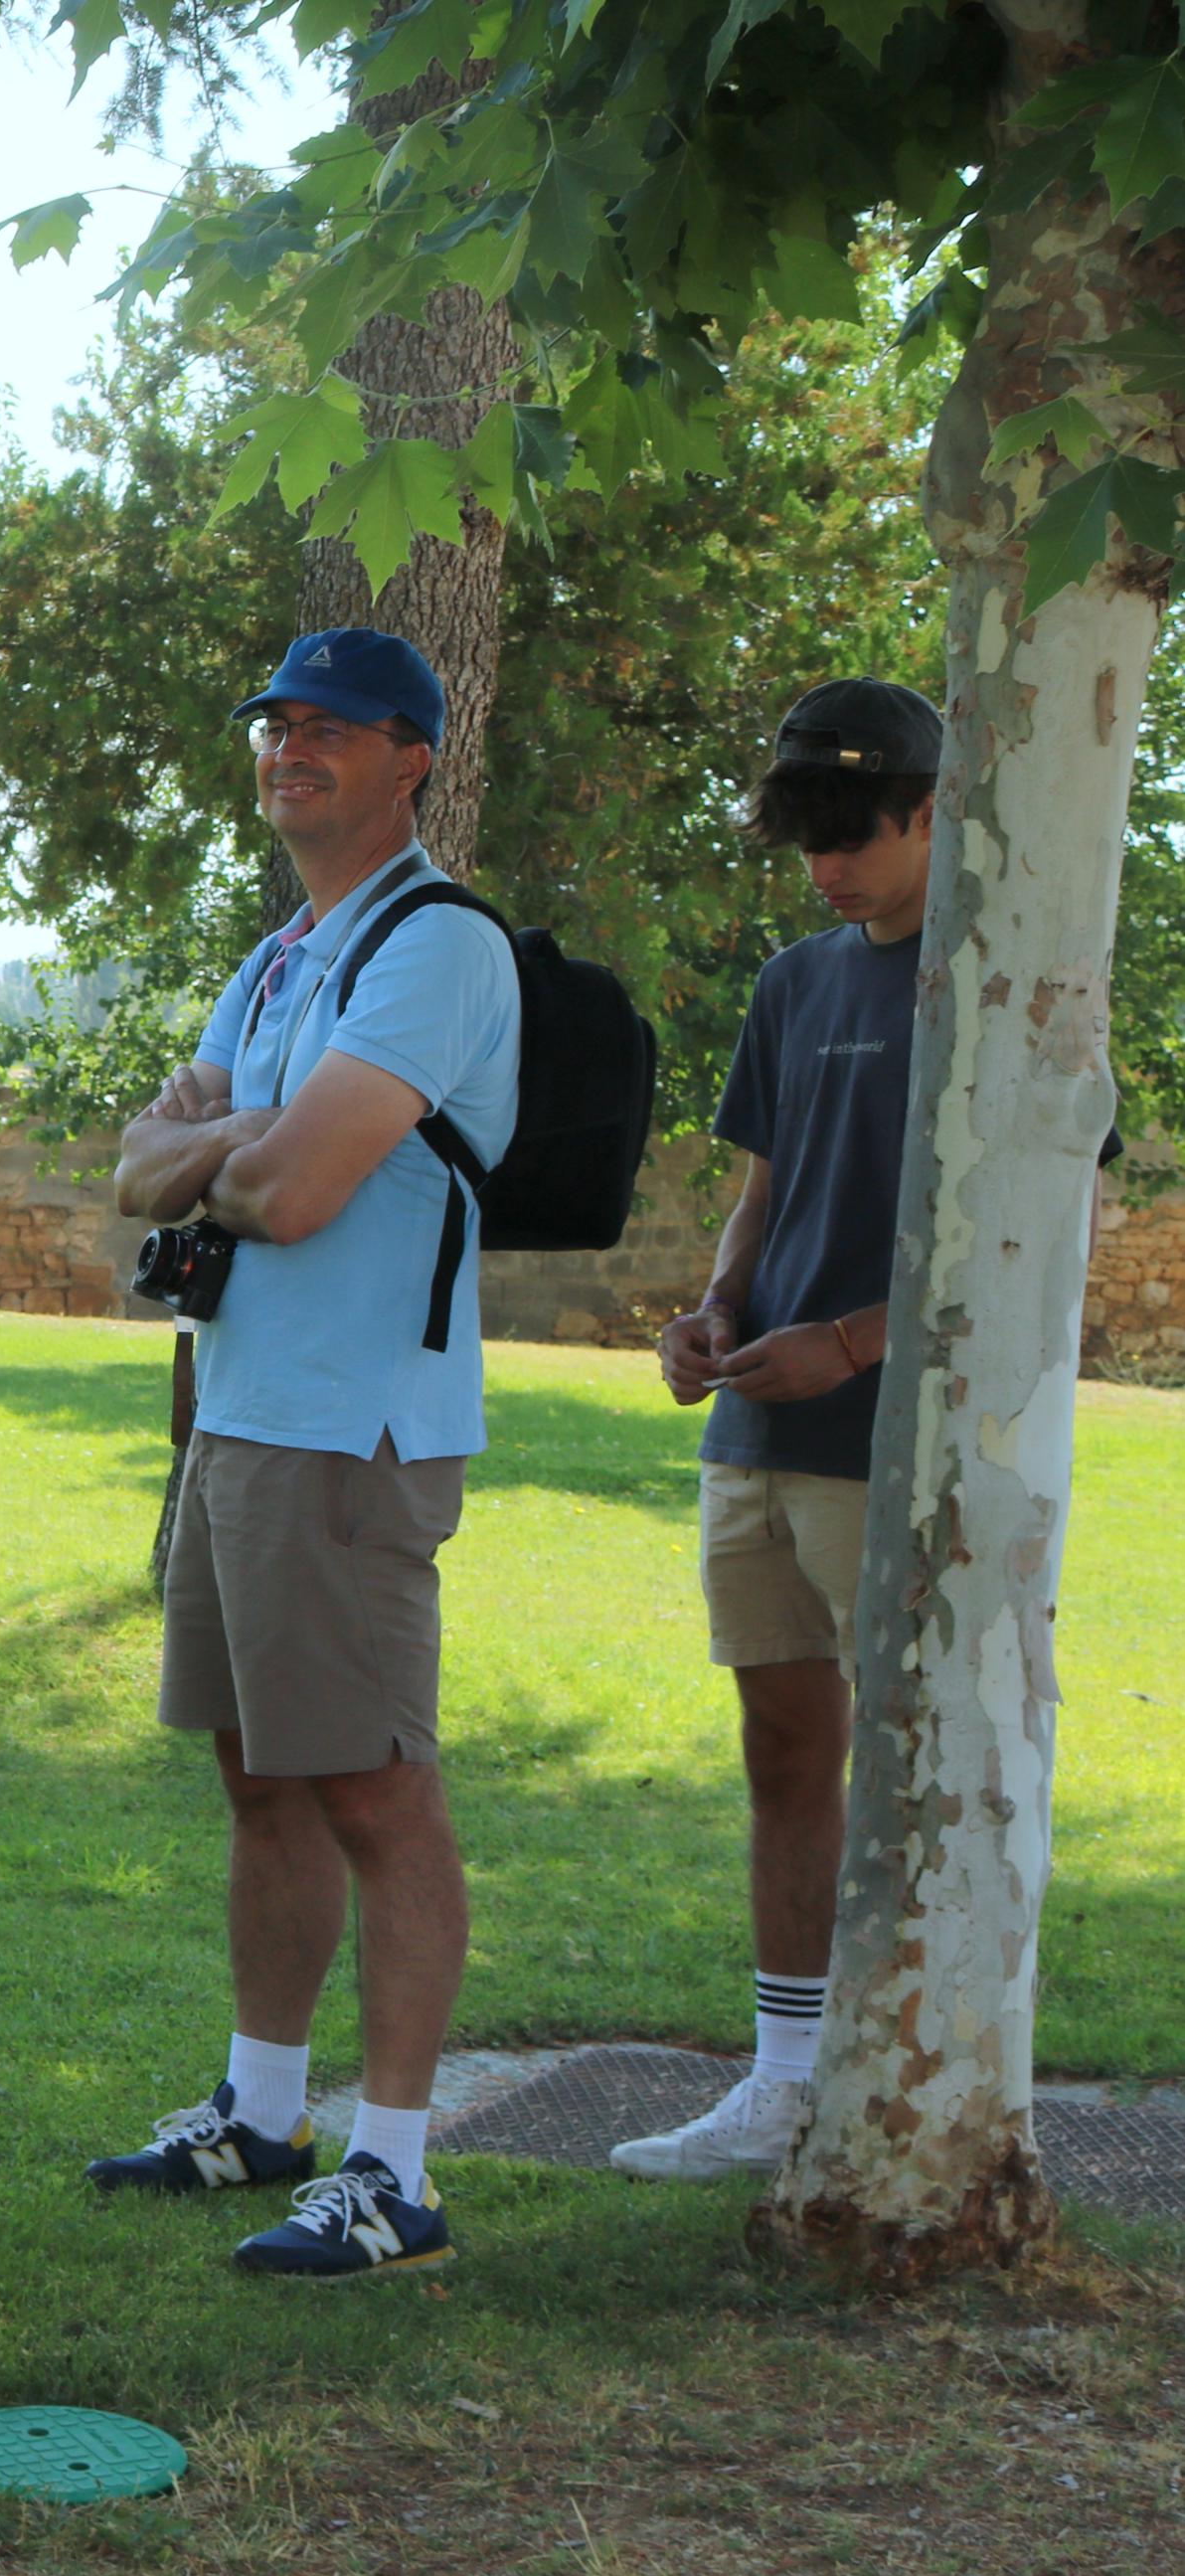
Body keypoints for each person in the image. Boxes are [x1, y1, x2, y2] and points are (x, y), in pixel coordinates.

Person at [98, 626, 520, 2278]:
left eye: (334, 728)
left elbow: (289, 1190)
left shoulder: (437, 949)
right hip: (238, 1414)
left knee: (372, 1786)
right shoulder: (281, 957)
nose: (293, 748)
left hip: (353, 1429)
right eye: (277, 723)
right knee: (256, 1775)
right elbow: (145, 1167)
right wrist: (220, 1146)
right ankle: (261, 2114)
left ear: (414, 756)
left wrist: (208, 1148)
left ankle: (396, 2168)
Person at [619, 680, 939, 2181]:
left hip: (898, 1442)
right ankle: (785, 2081)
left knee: (912, 1762)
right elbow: (760, 1189)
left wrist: (855, 1344)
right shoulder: (798, 980)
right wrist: (714, 1312)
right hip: (756, 1436)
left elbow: (1043, 1224)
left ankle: (913, 2075)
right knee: (782, 1750)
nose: (831, 865)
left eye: (855, 832)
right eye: (808, 836)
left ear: (936, 810)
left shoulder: (1000, 978)